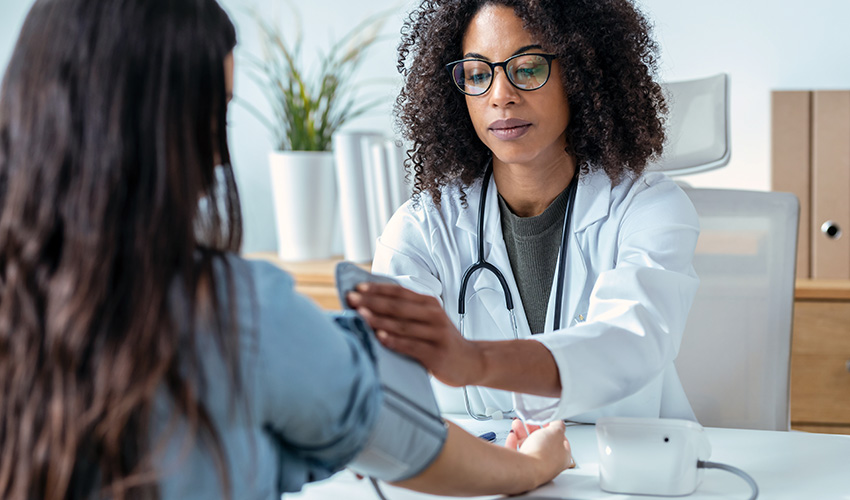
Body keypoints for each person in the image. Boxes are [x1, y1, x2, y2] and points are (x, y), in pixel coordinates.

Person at [0, 1, 573, 499]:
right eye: (213, 116)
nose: (219, 155)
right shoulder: (235, 314)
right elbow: (405, 445)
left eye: (527, 69)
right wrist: (532, 466)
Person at [347, 0, 701, 425]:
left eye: (528, 68)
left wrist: (475, 361)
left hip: (623, 480)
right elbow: (391, 383)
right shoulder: (424, 228)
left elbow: (631, 339)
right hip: (481, 476)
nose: (500, 96)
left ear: (580, 74)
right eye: (478, 75)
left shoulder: (647, 209)